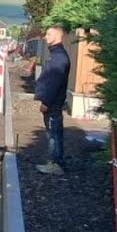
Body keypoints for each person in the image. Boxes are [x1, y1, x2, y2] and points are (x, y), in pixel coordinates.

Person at [34, 25, 71, 175]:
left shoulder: (58, 58)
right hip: (54, 103)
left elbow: (54, 82)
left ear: (57, 36)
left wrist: (46, 102)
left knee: (53, 135)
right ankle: (56, 162)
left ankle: (55, 164)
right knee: (53, 133)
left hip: (53, 104)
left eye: (49, 34)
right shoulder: (56, 55)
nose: (45, 37)